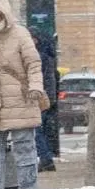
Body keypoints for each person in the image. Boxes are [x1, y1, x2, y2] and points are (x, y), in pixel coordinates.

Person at [0, 0, 46, 189]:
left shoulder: (20, 34)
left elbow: (33, 63)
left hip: (20, 99)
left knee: (24, 146)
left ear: (3, 14)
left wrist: (36, 87)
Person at [32, 31, 58, 173]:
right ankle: (46, 158)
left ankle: (45, 159)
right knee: (41, 130)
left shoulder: (39, 57)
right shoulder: (48, 55)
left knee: (36, 130)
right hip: (47, 97)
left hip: (41, 97)